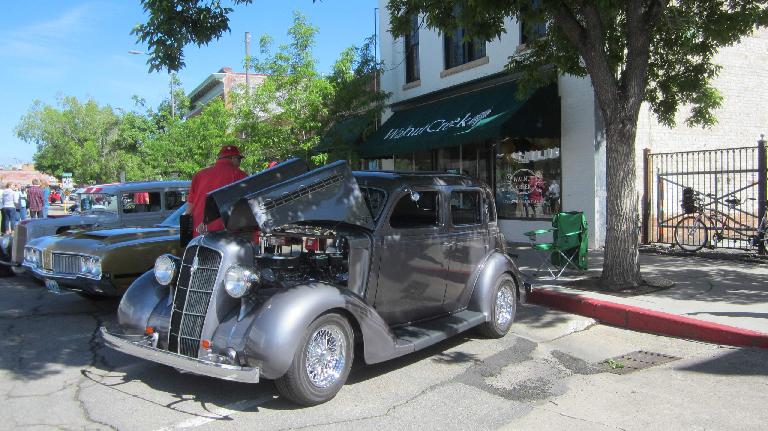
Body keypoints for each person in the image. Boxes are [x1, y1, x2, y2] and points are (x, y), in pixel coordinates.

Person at [185, 145, 249, 236]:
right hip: (226, 236)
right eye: (239, 159)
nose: (240, 163)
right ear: (233, 158)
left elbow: (189, 209)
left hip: (199, 235)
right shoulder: (241, 176)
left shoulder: (199, 175)